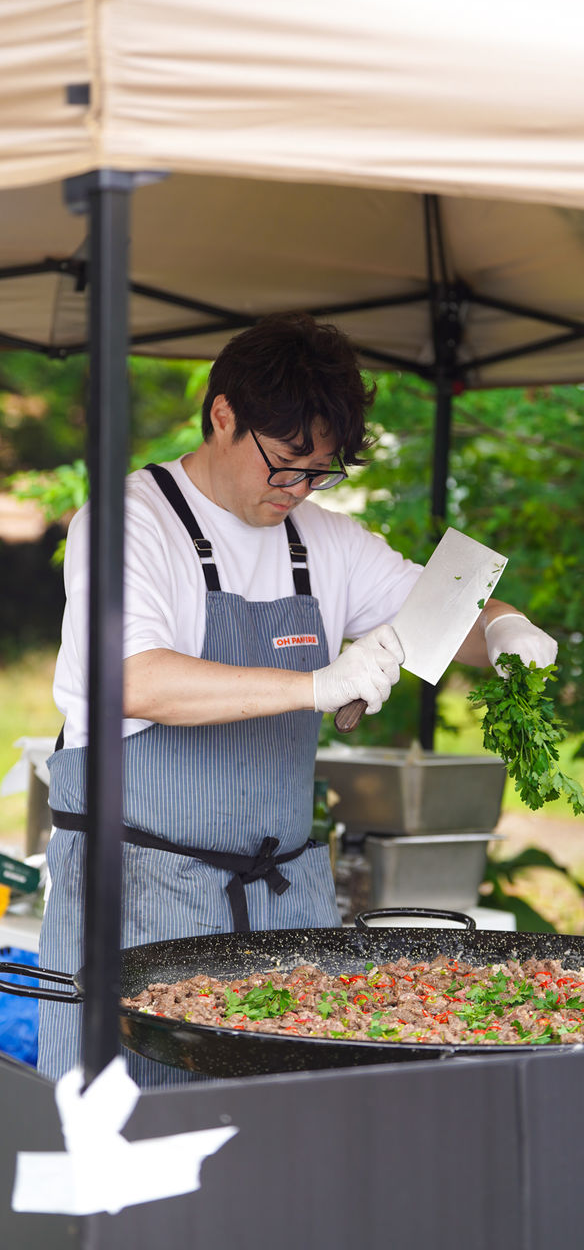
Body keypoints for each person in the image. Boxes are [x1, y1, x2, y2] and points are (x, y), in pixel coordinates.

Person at [37, 312, 557, 1084]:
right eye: (285, 466)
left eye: (320, 473)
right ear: (223, 416)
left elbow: (447, 615)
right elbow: (133, 679)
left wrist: (507, 630)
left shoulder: (327, 540)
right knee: (140, 1133)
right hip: (141, 902)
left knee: (286, 1130)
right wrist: (316, 685)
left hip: (280, 913)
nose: (299, 490)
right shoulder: (128, 523)